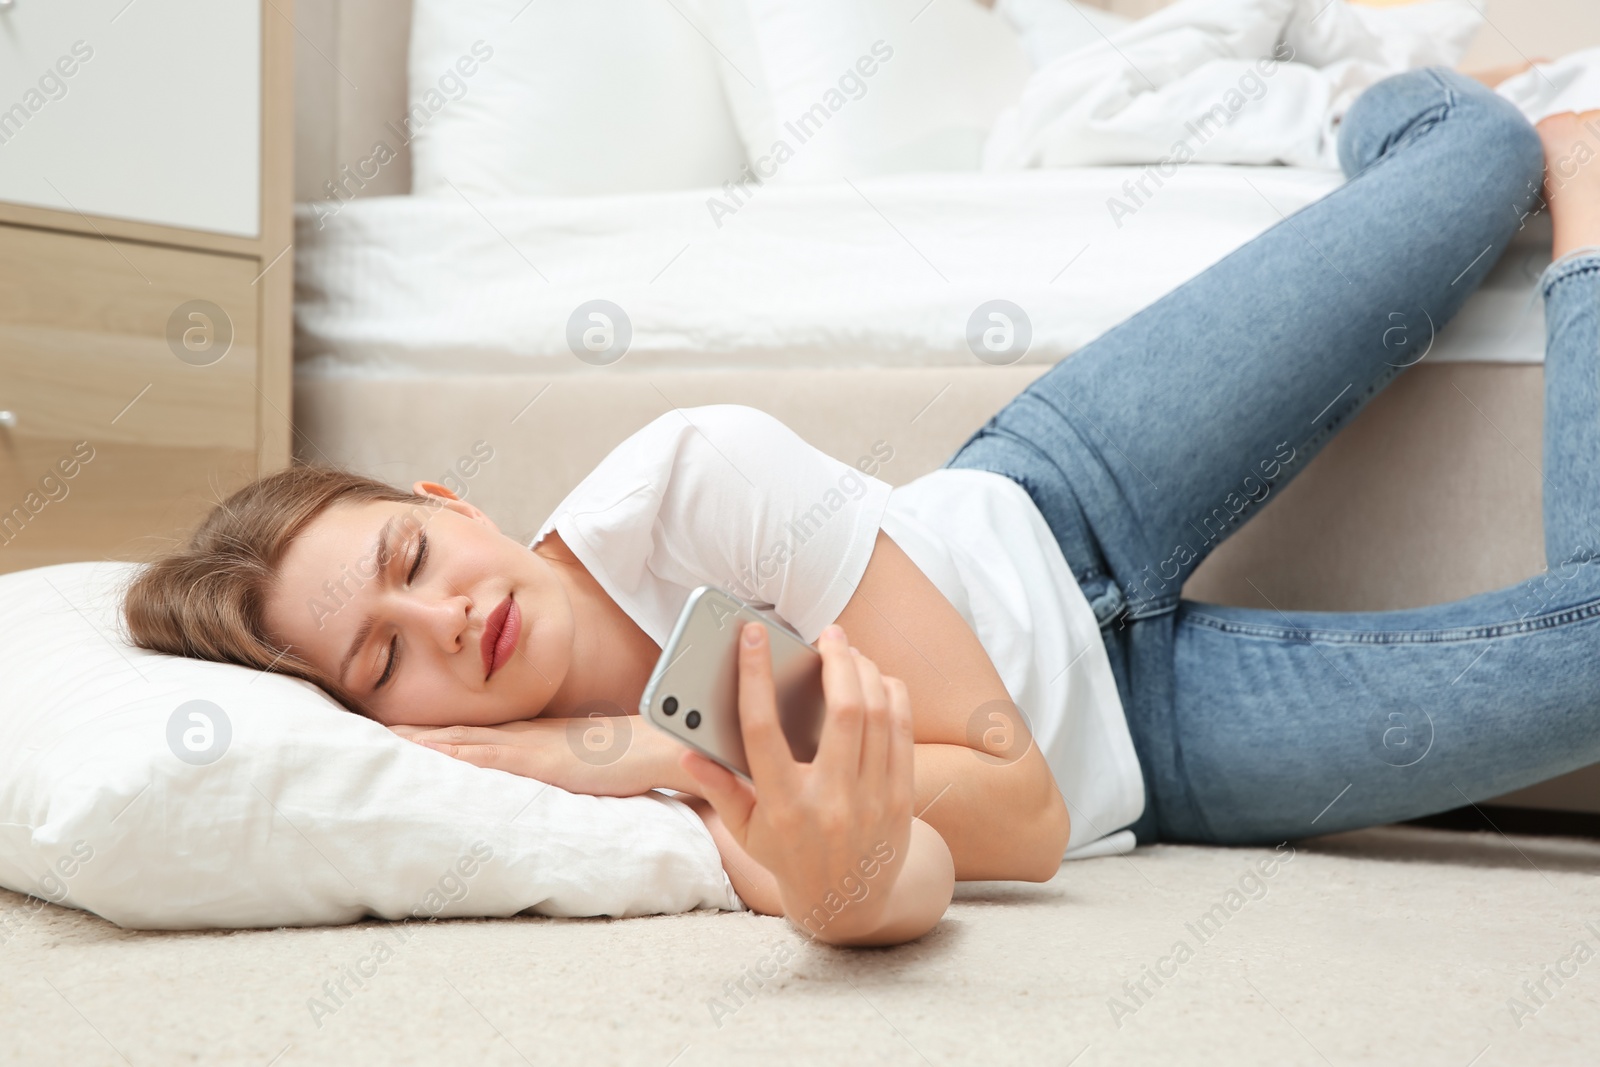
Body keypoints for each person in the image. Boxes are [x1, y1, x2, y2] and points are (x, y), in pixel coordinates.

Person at [125, 68, 1600, 948]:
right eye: (384, 658)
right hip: (1151, 757)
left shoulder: (685, 480)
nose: (445, 616)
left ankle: (1353, 103)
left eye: (409, 556)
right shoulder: (534, 794)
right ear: (378, 723)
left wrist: (644, 747)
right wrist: (724, 805)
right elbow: (1002, 833)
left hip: (1065, 503)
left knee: (1469, 148)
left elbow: (999, 793)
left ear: (448, 500)